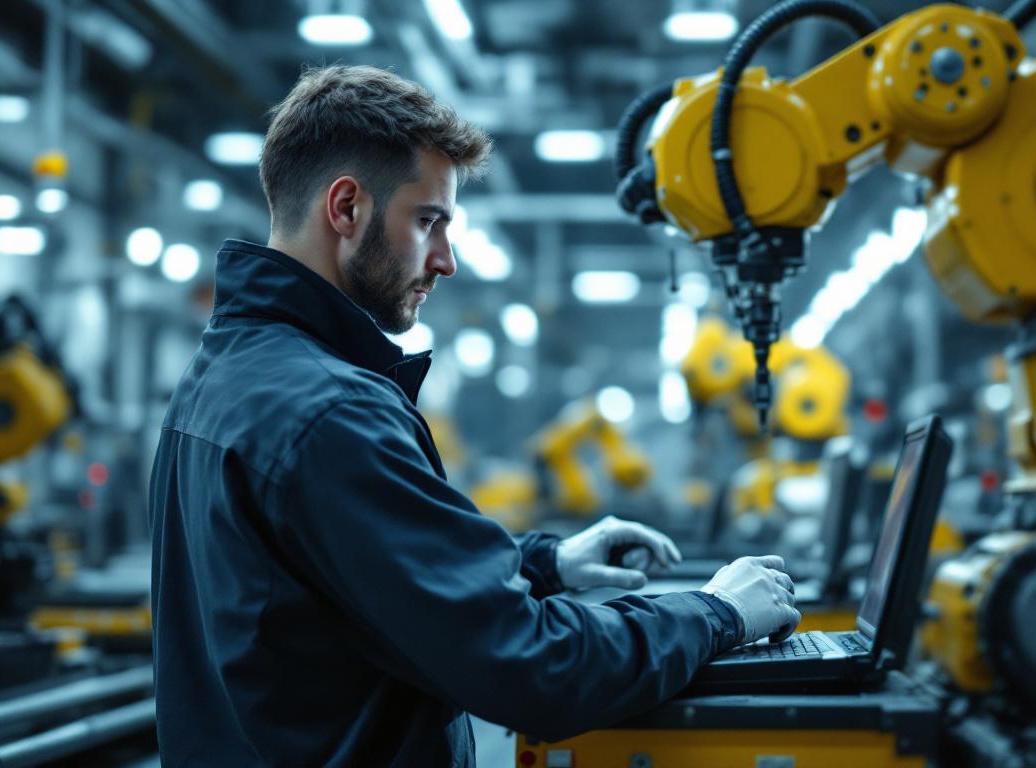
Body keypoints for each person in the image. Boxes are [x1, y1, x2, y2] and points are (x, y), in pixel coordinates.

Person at [148, 64, 800, 767]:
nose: (446, 260)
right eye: (428, 221)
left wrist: (543, 564)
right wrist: (717, 613)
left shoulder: (222, 374)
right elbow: (531, 667)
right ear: (346, 209)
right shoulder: (330, 413)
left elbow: (332, 589)